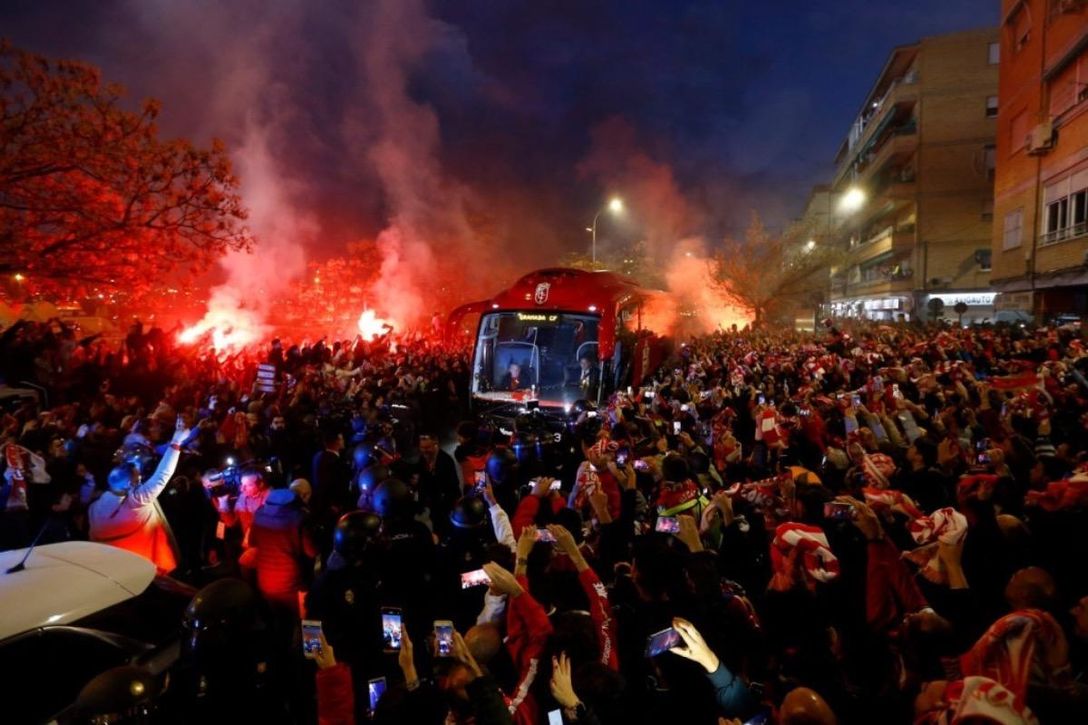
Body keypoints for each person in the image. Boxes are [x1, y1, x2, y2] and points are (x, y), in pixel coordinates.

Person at [88, 415, 188, 573]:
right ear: (129, 484)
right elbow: (162, 475)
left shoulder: (94, 508)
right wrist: (176, 443)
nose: (140, 477)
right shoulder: (136, 501)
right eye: (137, 477)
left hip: (117, 568)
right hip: (149, 563)